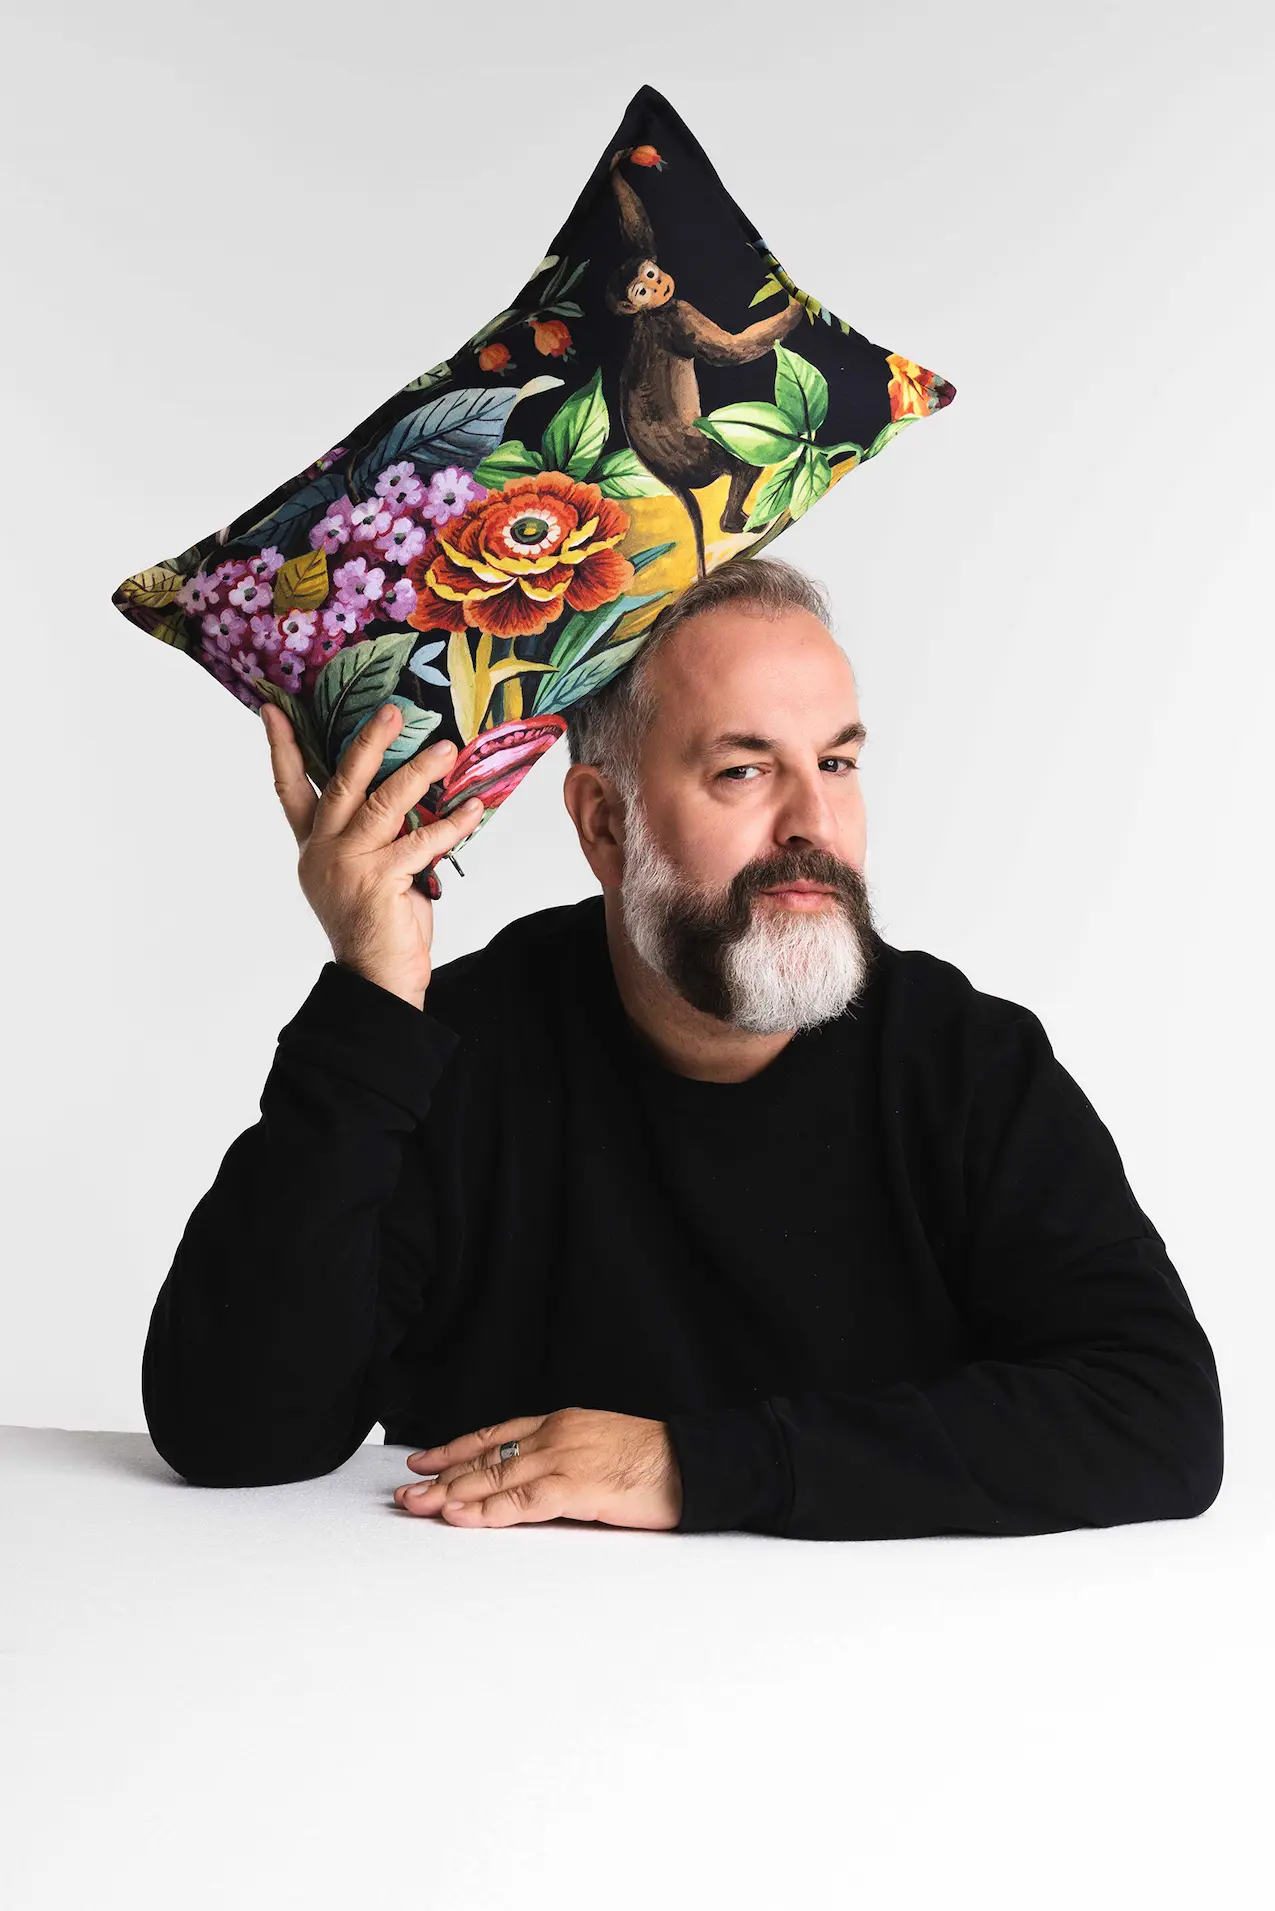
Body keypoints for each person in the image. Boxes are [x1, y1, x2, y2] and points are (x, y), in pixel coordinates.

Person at [141, 558, 1224, 1540]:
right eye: (744, 771)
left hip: (877, 1664)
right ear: (603, 824)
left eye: (836, 762)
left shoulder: (965, 1063)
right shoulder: (447, 1051)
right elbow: (233, 1431)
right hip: (490, 1659)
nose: (814, 824)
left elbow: (1157, 1416)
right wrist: (372, 996)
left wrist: (689, 1466)